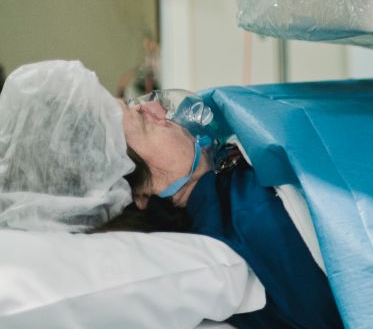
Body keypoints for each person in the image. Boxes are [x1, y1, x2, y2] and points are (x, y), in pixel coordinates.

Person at [0, 59, 344, 329]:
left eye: (136, 103)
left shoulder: (227, 187)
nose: (157, 109)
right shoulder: (252, 224)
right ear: (138, 194)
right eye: (143, 122)